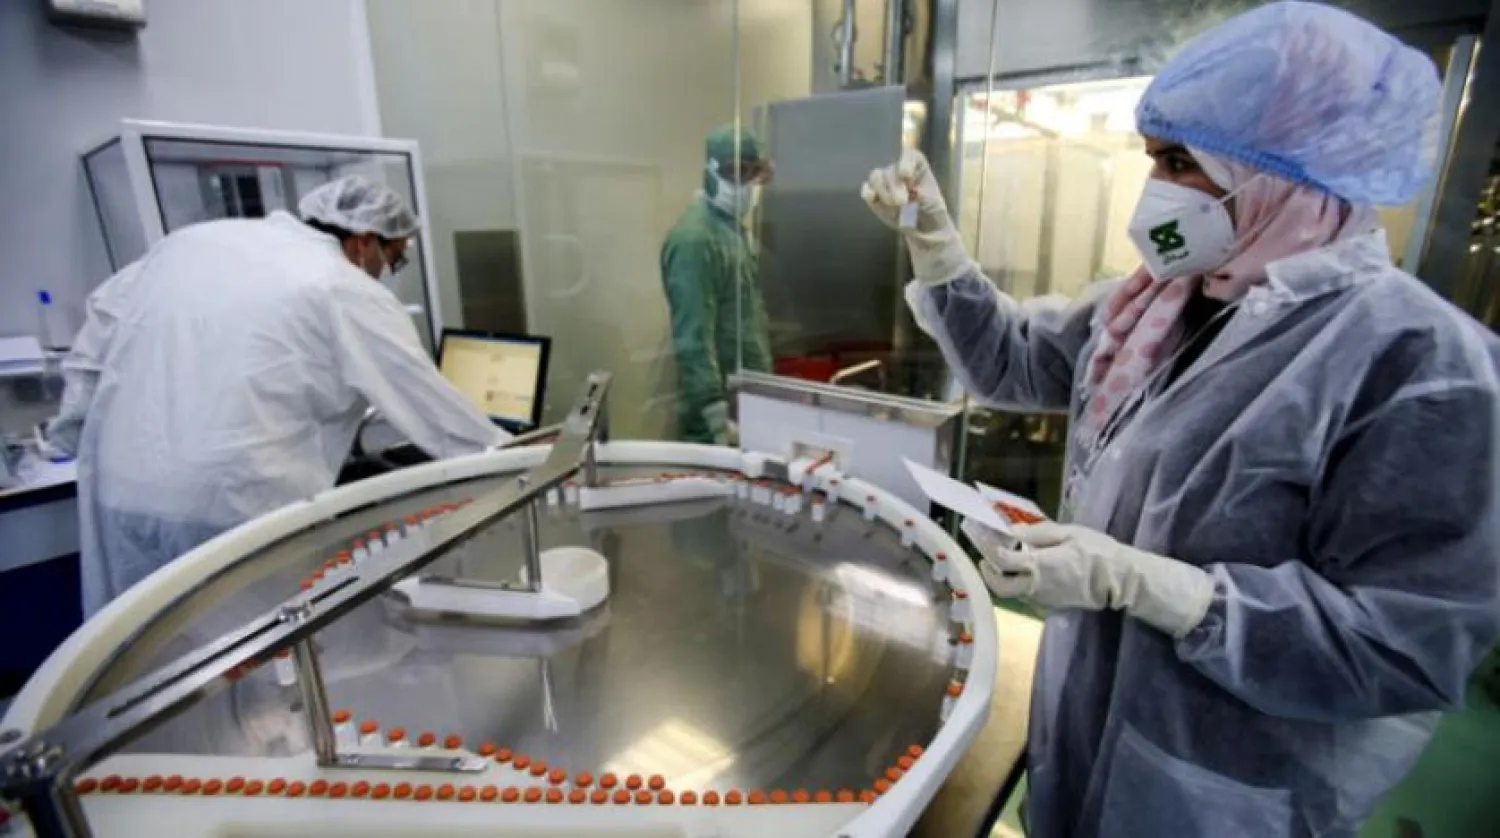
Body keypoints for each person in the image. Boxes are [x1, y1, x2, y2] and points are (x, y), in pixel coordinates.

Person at [863, 4, 1500, 837]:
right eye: (1153, 157)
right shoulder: (1162, 299)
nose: (1154, 188)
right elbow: (1016, 363)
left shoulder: (1422, 363)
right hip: (1082, 723)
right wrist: (941, 254)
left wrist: (1153, 587)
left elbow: (1401, 645)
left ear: (1279, 172)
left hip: (1220, 776)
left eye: (1179, 162)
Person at [51, 176, 509, 617]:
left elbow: (96, 336)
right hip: (230, 503)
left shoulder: (189, 244)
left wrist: (69, 435)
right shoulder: (339, 284)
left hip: (122, 487)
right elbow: (429, 404)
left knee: (143, 653)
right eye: (395, 257)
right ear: (365, 241)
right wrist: (518, 461)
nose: (388, 273)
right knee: (252, 650)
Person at [660, 125, 774, 444]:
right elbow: (694, 338)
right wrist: (716, 418)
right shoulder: (695, 240)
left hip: (746, 408)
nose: (747, 184)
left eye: (755, 174)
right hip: (719, 421)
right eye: (736, 172)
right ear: (710, 172)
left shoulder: (730, 231)